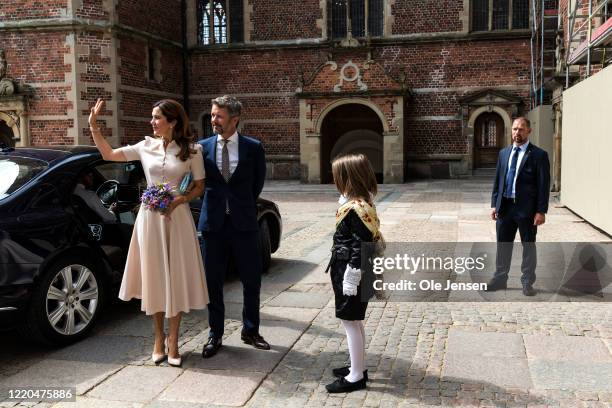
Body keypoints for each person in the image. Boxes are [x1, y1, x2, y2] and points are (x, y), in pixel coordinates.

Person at [88, 98, 209, 367]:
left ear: (172, 121)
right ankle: (158, 338)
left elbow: (199, 186)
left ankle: (174, 341)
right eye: (152, 117)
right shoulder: (144, 146)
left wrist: (178, 201)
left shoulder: (193, 150)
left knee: (175, 278)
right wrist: (94, 127)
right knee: (154, 277)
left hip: (177, 218)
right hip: (150, 218)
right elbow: (109, 155)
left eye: (156, 117)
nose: (151, 122)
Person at [198, 95, 268, 358]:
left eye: (218, 116)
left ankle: (251, 330)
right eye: (213, 115)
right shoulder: (201, 147)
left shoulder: (253, 147)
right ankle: (215, 333)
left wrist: (240, 205)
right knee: (213, 282)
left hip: (244, 224)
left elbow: (256, 185)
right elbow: (198, 183)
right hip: (213, 225)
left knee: (251, 280)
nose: (213, 120)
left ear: (234, 119)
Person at [325, 153, 381, 393]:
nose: (335, 180)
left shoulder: (356, 208)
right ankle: (357, 365)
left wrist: (352, 274)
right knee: (354, 320)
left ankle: (356, 376)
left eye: (338, 176)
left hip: (350, 269)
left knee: (350, 321)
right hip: (347, 266)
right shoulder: (358, 203)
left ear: (349, 178)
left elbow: (360, 244)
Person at [488, 117, 550, 296]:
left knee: (528, 246)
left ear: (529, 131)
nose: (517, 132)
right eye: (515, 129)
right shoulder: (504, 153)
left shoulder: (539, 155)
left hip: (527, 210)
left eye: (521, 129)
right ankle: (500, 279)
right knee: (503, 245)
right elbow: (498, 181)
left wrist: (541, 211)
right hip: (505, 207)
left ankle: (527, 282)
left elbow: (543, 185)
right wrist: (495, 204)